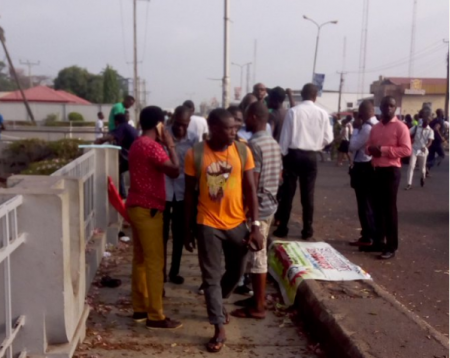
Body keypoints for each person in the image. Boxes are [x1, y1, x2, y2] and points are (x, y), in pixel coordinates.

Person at [183, 108, 263, 353]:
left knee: (237, 269)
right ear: (214, 128)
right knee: (211, 277)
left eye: (235, 128)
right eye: (229, 129)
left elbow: (250, 188)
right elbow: (189, 194)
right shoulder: (195, 154)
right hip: (207, 222)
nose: (233, 132)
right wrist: (187, 228)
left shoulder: (242, 150)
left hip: (237, 222)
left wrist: (256, 226)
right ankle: (218, 326)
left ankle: (219, 304)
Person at [126, 106, 182, 329]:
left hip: (136, 206)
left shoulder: (137, 144)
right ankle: (155, 315)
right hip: (149, 209)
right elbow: (175, 170)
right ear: (159, 124)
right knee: (155, 262)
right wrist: (171, 145)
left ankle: (139, 308)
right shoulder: (153, 147)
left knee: (139, 260)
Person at [230, 102, 282, 320]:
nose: (242, 123)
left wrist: (246, 209)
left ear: (252, 117)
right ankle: (255, 299)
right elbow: (279, 175)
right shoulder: (272, 143)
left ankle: (258, 306)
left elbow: (253, 180)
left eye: (244, 119)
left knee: (257, 256)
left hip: (258, 208)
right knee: (257, 254)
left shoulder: (253, 145)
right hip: (270, 203)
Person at [274, 83, 333, 239]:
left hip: (293, 155)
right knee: (308, 195)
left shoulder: (293, 112)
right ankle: (307, 230)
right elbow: (329, 138)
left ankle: (283, 228)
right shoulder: (322, 113)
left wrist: (282, 157)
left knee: (288, 193)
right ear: (315, 96)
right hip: (311, 156)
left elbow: (284, 138)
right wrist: (317, 146)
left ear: (302, 95)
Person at [366, 96, 411, 260]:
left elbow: (406, 150)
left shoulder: (401, 127)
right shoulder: (376, 127)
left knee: (389, 209)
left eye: (391, 106)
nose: (388, 109)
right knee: (376, 208)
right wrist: (371, 149)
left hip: (391, 171)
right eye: (385, 106)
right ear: (380, 107)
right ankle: (378, 241)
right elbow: (367, 147)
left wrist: (384, 150)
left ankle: (391, 246)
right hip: (376, 170)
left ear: (395, 108)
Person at [163, 105, 198, 285]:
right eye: (177, 124)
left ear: (188, 122)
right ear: (173, 119)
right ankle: (160, 270)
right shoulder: (163, 136)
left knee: (179, 233)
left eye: (184, 125)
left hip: (183, 191)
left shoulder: (193, 140)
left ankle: (174, 271)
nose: (180, 128)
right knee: (161, 234)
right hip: (164, 190)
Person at [348, 100, 378, 249]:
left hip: (363, 167)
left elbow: (353, 145)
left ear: (364, 112)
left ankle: (367, 235)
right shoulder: (377, 124)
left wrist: (354, 130)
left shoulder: (366, 128)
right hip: (372, 166)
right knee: (370, 203)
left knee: (364, 203)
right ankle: (370, 234)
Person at [95, 113, 138, 199]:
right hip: (135, 155)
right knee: (119, 170)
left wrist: (97, 142)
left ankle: (121, 195)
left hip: (130, 156)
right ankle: (123, 194)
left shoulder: (122, 127)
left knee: (115, 170)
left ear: (116, 122)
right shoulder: (129, 127)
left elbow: (110, 137)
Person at [405, 107, 434, 190]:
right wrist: (409, 141)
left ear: (428, 122)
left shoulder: (430, 131)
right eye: (424, 121)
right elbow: (407, 133)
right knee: (411, 166)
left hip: (423, 150)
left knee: (422, 169)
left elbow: (430, 142)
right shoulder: (417, 127)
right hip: (414, 148)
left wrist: (425, 147)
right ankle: (409, 184)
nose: (425, 122)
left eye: (427, 121)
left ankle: (422, 178)